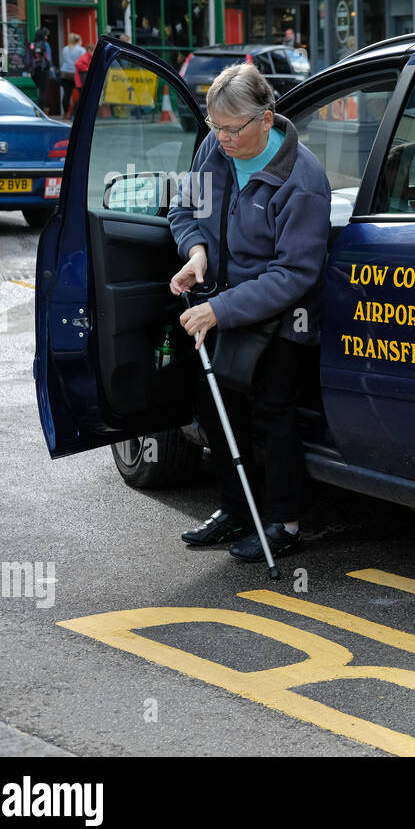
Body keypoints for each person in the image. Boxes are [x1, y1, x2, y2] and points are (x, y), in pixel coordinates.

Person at [167, 64, 331, 562]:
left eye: (233, 129)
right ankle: (236, 509)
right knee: (214, 405)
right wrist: (194, 252)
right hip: (220, 300)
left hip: (281, 316)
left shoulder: (303, 180)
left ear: (266, 118)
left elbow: (293, 276)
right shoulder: (214, 147)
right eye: (215, 126)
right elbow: (183, 209)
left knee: (272, 410)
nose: (223, 139)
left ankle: (285, 522)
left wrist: (219, 309)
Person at [28, 27, 54, 115]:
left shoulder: (32, 44)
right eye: (46, 35)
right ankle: (41, 112)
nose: (47, 37)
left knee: (38, 91)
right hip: (44, 70)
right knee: (43, 92)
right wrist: (51, 67)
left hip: (34, 71)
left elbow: (28, 57)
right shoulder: (45, 44)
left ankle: (36, 111)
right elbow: (48, 58)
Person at [59, 33, 83, 120]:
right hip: (76, 73)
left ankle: (65, 113)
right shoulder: (81, 50)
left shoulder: (65, 49)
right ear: (78, 41)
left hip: (65, 73)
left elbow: (62, 61)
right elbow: (82, 63)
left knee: (66, 94)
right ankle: (75, 113)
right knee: (82, 94)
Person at [70, 42, 92, 118]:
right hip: (80, 81)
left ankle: (76, 114)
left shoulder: (88, 57)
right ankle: (74, 113)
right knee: (81, 98)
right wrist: (87, 68)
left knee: (82, 98)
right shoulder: (85, 57)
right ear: (89, 50)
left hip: (82, 80)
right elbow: (78, 64)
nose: (93, 52)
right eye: (92, 51)